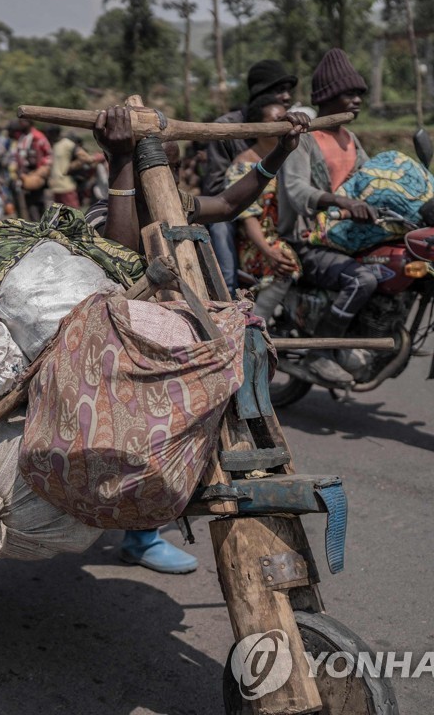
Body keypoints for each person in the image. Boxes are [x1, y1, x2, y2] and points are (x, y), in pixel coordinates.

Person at [91, 102, 310, 574]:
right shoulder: (109, 206)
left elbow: (231, 204)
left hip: (184, 342)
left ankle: (146, 528)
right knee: (140, 440)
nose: (163, 180)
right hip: (132, 348)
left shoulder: (180, 203)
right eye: (153, 168)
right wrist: (121, 161)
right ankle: (140, 535)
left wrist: (278, 155)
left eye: (169, 168)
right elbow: (118, 247)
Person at [276, 48, 380, 386]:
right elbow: (296, 191)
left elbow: (373, 180)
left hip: (347, 237)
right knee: (362, 279)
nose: (357, 100)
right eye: (350, 93)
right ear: (329, 96)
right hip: (306, 240)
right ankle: (320, 352)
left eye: (359, 94)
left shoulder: (352, 140)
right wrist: (340, 202)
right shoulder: (304, 139)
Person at [203, 60, 299, 293]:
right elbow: (216, 187)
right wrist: (247, 193)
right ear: (260, 94)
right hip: (232, 205)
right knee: (220, 225)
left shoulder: (287, 123)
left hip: (270, 207)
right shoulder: (225, 127)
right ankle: (227, 292)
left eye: (288, 90)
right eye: (279, 90)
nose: (286, 97)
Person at [227, 95, 301, 322]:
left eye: (285, 120)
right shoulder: (243, 166)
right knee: (286, 262)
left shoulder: (291, 157)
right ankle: (258, 325)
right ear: (258, 127)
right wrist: (269, 251)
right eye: (277, 120)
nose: (283, 125)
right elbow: (248, 218)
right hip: (257, 242)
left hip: (286, 234)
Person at [45, 125, 99, 210]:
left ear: (54, 133)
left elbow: (85, 158)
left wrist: (71, 167)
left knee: (73, 214)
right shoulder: (54, 144)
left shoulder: (67, 143)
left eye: (49, 134)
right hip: (56, 187)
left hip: (67, 186)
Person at [14, 118, 52, 221]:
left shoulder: (38, 137)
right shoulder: (22, 137)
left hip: (36, 175)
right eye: (20, 121)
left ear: (30, 122)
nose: (21, 123)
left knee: (38, 202)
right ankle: (34, 225)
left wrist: (41, 172)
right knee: (29, 204)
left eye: (23, 121)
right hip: (25, 175)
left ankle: (42, 225)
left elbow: (48, 155)